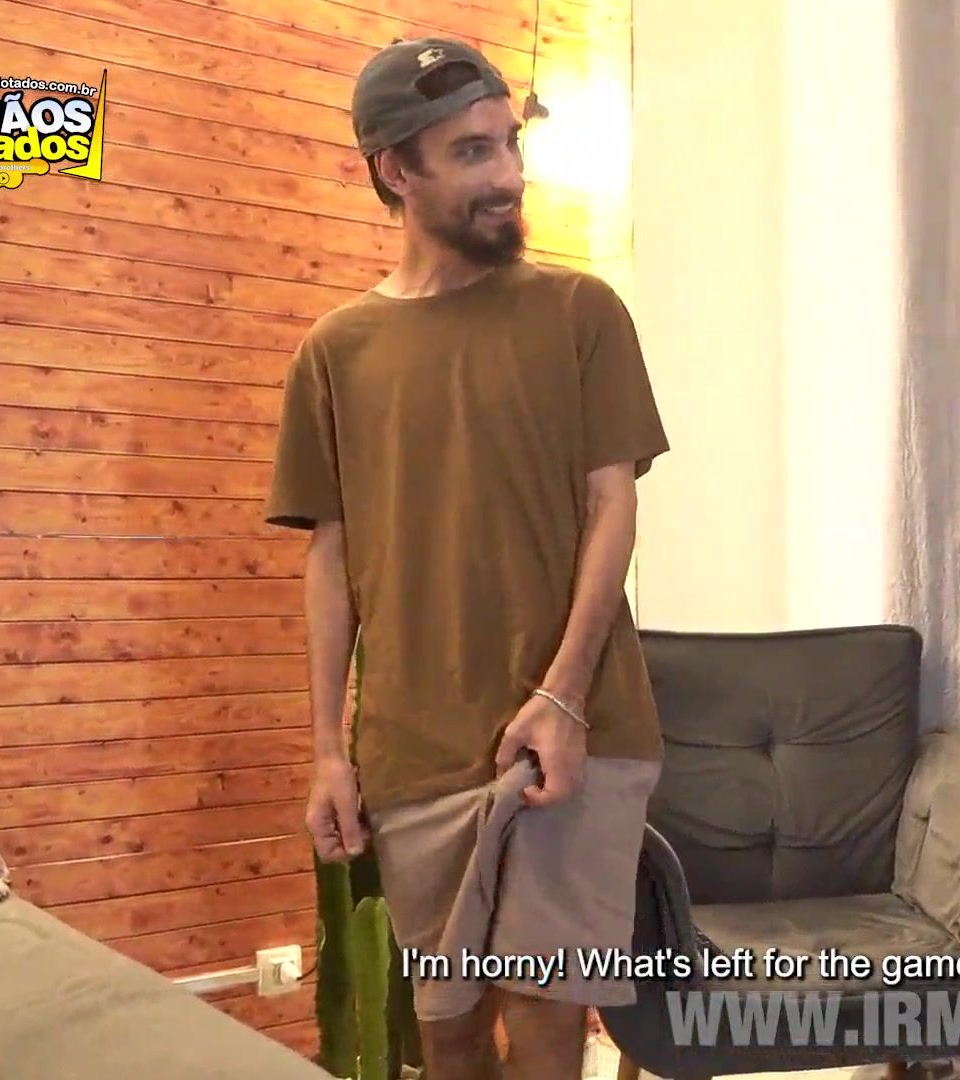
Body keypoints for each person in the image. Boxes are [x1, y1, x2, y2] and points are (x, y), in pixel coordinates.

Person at [263, 38, 669, 1079]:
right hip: (415, 746)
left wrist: (562, 697)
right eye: (472, 152)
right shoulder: (335, 352)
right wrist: (327, 749)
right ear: (396, 170)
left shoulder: (579, 312)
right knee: (447, 1032)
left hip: (577, 735)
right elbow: (331, 561)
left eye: (508, 144)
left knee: (546, 1020)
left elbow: (611, 505)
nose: (508, 176)